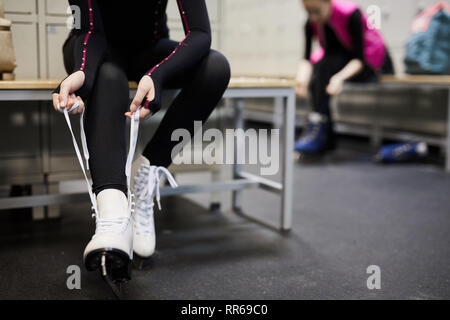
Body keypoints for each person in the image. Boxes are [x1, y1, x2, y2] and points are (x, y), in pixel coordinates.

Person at [52, 0, 230, 284]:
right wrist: (83, 76)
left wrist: (158, 74)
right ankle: (113, 213)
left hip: (150, 48)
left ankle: (146, 173)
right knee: (108, 76)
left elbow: (199, 33)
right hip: (94, 45)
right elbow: (90, 30)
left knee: (215, 67)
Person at [294, 0, 394, 157]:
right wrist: (301, 82)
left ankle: (320, 130)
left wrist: (339, 78)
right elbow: (306, 59)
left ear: (328, 3)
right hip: (339, 63)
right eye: (308, 12)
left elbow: (359, 59)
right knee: (319, 69)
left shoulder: (351, 14)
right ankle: (322, 131)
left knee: (325, 67)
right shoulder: (311, 22)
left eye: (316, 11)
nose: (313, 17)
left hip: (371, 63)